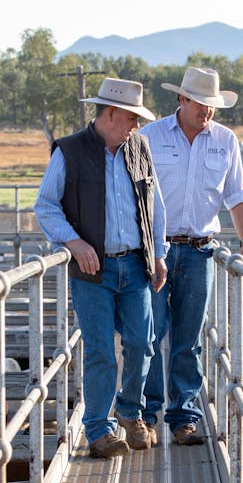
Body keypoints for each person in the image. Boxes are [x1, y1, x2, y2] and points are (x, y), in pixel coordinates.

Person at [34, 77, 168, 458]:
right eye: (131, 118)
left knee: (143, 343)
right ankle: (99, 429)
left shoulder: (138, 148)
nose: (136, 127)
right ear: (109, 113)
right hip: (93, 270)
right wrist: (73, 242)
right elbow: (45, 205)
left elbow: (154, 206)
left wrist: (158, 254)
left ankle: (130, 413)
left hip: (135, 264)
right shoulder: (70, 151)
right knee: (99, 351)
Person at [139, 66, 243, 446]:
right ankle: (147, 414)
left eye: (213, 105)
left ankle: (183, 416)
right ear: (182, 99)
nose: (208, 111)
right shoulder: (149, 136)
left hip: (200, 250)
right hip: (156, 249)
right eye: (202, 104)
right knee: (149, 333)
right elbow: (133, 192)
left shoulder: (225, 141)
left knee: (190, 337)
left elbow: (236, 194)